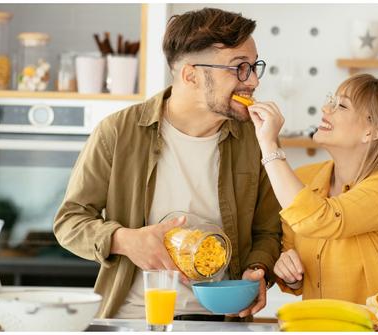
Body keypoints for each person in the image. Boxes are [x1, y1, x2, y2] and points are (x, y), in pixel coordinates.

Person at [54, 7, 282, 320]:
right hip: (132, 317)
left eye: (254, 67)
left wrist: (258, 269)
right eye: (239, 68)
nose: (253, 81)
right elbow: (69, 221)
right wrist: (126, 240)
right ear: (190, 75)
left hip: (221, 321)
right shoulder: (117, 132)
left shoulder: (257, 140)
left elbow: (268, 231)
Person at [247, 73, 378, 317]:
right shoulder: (305, 179)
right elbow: (291, 253)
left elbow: (322, 218)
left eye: (341, 105)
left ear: (372, 131)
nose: (325, 108)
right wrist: (291, 274)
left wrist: (268, 145)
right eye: (332, 100)